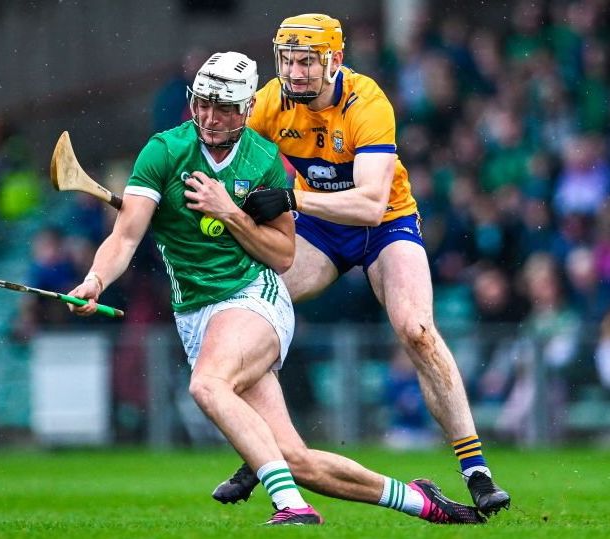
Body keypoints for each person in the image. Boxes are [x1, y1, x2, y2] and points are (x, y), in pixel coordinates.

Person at [68, 51, 484, 526]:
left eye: (224, 107)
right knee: (295, 459)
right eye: (202, 103)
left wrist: (228, 212)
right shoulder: (163, 151)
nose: (209, 116)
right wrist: (96, 279)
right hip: (197, 312)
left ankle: (292, 507)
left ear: (246, 109)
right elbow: (124, 236)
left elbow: (283, 255)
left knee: (207, 384)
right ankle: (423, 501)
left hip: (251, 296)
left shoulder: (264, 160)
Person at [213, 14, 511, 516]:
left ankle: (475, 470)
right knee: (254, 309)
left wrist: (289, 198)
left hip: (385, 224)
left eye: (307, 60)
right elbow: (217, 152)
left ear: (334, 60)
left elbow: (371, 203)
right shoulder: (270, 100)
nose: (296, 71)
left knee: (416, 329)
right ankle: (265, 447)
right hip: (321, 229)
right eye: (288, 59)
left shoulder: (367, 102)